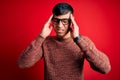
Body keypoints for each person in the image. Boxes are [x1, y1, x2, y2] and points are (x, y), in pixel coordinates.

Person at [18, 2, 111, 80]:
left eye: (64, 21)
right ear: (51, 20)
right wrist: (41, 36)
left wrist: (78, 39)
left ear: (72, 22)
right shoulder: (45, 42)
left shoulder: (83, 42)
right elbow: (23, 63)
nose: (59, 26)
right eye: (56, 20)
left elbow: (105, 68)